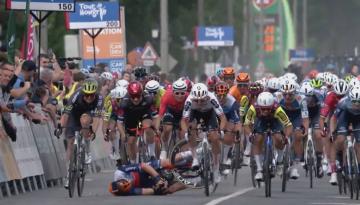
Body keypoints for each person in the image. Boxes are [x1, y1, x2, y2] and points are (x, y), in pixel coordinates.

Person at [58, 78, 103, 188]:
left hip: (88, 113)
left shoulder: (99, 98)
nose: (89, 98)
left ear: (95, 93)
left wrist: (93, 131)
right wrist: (60, 127)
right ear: (83, 93)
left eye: (91, 95)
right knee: (70, 143)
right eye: (86, 95)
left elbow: (97, 118)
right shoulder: (75, 95)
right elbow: (65, 114)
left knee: (85, 120)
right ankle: (69, 174)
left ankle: (86, 149)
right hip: (74, 113)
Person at [181, 83, 227, 183]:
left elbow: (222, 117)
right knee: (191, 129)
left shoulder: (212, 98)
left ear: (206, 96)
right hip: (195, 113)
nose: (199, 102)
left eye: (202, 100)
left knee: (214, 138)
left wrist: (221, 130)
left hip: (209, 114)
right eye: (196, 100)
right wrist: (186, 132)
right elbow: (183, 120)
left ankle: (216, 168)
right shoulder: (189, 101)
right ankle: (195, 159)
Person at [243, 92, 292, 180]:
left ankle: (280, 162)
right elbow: (246, 124)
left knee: (279, 139)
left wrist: (286, 137)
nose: (265, 111)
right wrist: (250, 134)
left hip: (274, 120)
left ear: (272, 106)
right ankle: (259, 169)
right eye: (263, 109)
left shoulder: (277, 108)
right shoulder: (253, 108)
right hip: (260, 120)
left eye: (268, 109)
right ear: (259, 107)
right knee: (257, 139)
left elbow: (288, 125)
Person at [117, 81, 158, 163]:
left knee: (148, 127)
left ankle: (152, 154)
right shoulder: (124, 103)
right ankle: (133, 163)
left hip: (144, 114)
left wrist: (156, 128)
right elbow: (119, 122)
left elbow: (156, 116)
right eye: (133, 97)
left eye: (138, 96)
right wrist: (123, 134)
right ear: (129, 96)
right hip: (130, 118)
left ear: (141, 94)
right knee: (131, 142)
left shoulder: (149, 99)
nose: (136, 99)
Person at [279, 78, 309, 179]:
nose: (287, 97)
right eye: (285, 94)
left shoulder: (301, 99)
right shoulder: (277, 97)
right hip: (283, 115)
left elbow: (305, 118)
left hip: (296, 117)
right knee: (279, 135)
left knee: (298, 136)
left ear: (295, 93)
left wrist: (305, 129)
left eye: (290, 94)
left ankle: (295, 166)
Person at [157, 79, 188, 159]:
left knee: (184, 133)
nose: (180, 95)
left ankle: (184, 155)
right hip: (170, 111)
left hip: (182, 113)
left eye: (182, 93)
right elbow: (160, 115)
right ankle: (164, 148)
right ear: (173, 92)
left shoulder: (188, 97)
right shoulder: (167, 96)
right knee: (167, 128)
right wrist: (158, 128)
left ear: (186, 92)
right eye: (177, 93)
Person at [214, 81, 241, 174]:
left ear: (227, 94)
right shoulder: (211, 99)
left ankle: (225, 159)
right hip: (215, 115)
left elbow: (237, 120)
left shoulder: (232, 101)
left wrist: (237, 133)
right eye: (219, 96)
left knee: (229, 132)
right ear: (215, 94)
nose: (221, 98)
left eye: (223, 96)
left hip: (229, 115)